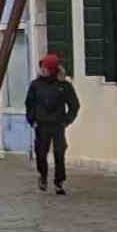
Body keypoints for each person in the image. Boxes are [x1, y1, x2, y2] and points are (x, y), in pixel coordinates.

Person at [22, 52, 79, 195]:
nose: (43, 70)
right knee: (41, 153)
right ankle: (42, 176)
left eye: (46, 67)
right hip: (41, 125)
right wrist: (32, 120)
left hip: (58, 125)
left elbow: (74, 105)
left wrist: (67, 120)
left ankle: (59, 182)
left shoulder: (64, 86)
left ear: (52, 69)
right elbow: (29, 103)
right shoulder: (36, 85)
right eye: (42, 67)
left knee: (59, 153)